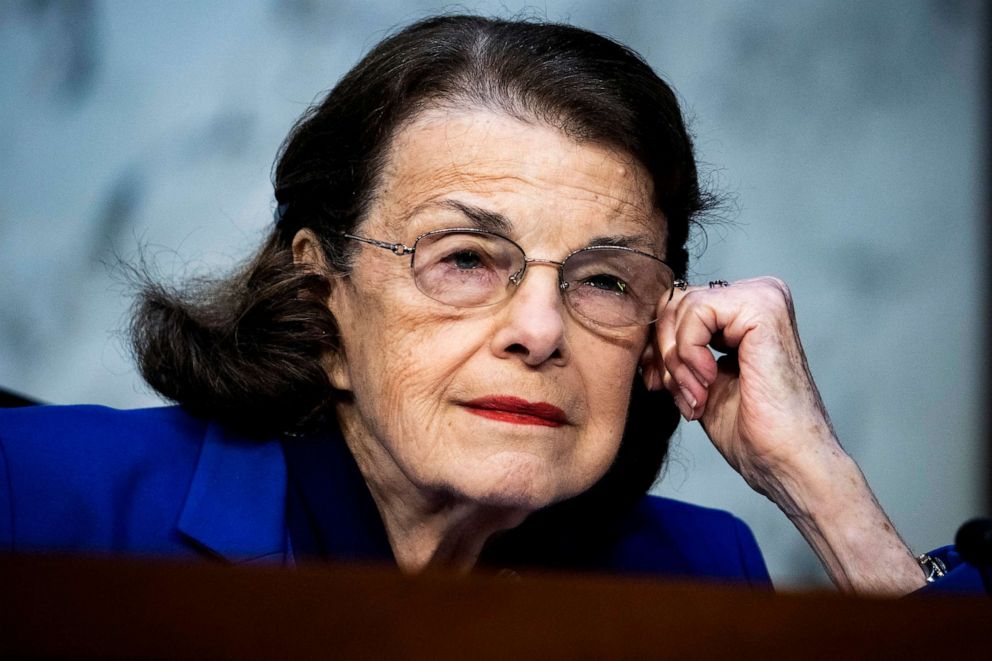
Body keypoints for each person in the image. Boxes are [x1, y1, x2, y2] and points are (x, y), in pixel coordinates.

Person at [0, 15, 982, 594]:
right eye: (467, 257)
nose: (541, 329)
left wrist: (824, 492)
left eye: (603, 278)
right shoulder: (42, 501)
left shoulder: (694, 568)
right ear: (321, 294)